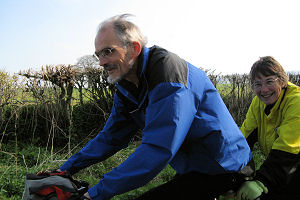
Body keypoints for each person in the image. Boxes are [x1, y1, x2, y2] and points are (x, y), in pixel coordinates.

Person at [58, 14, 253, 200]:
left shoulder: (168, 75)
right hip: (195, 167)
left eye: (108, 51)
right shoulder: (126, 85)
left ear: (134, 48)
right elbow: (111, 137)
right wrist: (65, 170)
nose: (101, 62)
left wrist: (95, 194)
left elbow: (158, 148)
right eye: (98, 54)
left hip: (225, 166)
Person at [237, 56, 300, 200]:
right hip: (285, 169)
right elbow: (243, 140)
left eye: (269, 81)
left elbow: (287, 151)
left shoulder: (296, 102)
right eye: (257, 84)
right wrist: (231, 174)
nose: (264, 90)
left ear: (282, 81)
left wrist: (261, 182)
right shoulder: (258, 103)